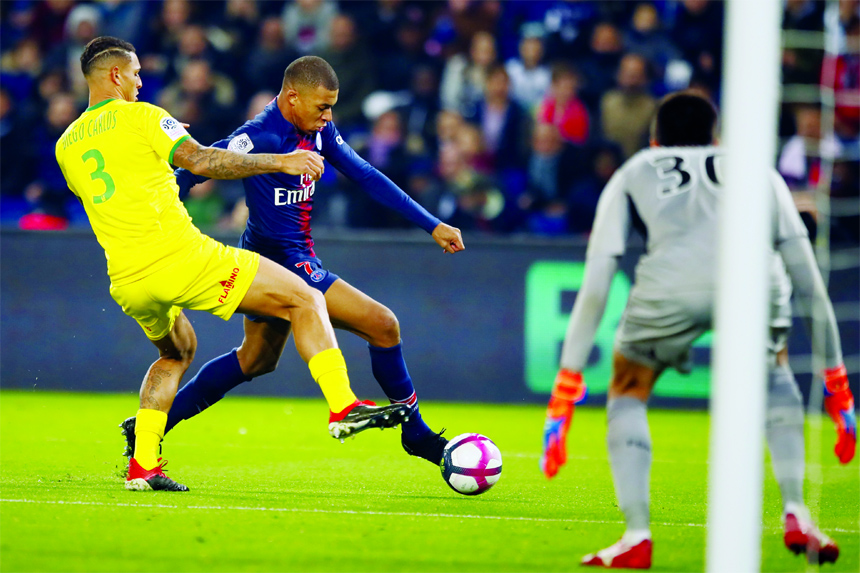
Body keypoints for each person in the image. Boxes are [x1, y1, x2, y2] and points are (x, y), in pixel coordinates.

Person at [56, 37, 409, 493]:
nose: (142, 81)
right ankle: (343, 405)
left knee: (174, 353)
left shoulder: (66, 145)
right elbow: (201, 160)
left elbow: (118, 185)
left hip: (127, 279)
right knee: (305, 298)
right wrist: (280, 162)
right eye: (137, 73)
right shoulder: (145, 116)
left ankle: (143, 463)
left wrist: (155, 150)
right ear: (116, 75)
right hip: (181, 257)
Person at [539, 91, 856, 569]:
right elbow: (809, 281)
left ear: (653, 139)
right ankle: (797, 510)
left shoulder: (635, 171)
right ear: (716, 137)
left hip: (670, 285)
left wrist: (566, 387)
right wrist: (837, 384)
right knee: (775, 370)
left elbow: (598, 278)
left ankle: (637, 536)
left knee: (629, 385)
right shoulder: (758, 171)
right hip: (753, 281)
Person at [121, 55, 465, 470]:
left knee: (256, 360)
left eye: (331, 106)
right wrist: (150, 215)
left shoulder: (320, 131)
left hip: (297, 255)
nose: (328, 115)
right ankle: (416, 431)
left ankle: (147, 428)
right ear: (292, 97)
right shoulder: (259, 135)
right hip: (276, 264)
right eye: (322, 106)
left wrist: (432, 225)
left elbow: (366, 175)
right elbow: (197, 169)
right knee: (383, 323)